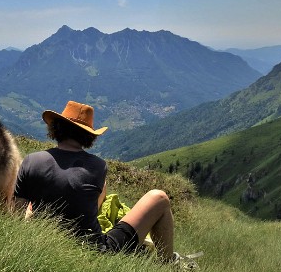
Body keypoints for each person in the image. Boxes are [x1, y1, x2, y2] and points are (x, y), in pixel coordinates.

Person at [13, 100, 180, 263]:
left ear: (56, 128)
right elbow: (95, 206)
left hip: (43, 243)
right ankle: (168, 263)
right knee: (159, 197)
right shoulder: (97, 166)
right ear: (88, 136)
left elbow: (16, 214)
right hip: (94, 252)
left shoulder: (31, 160)